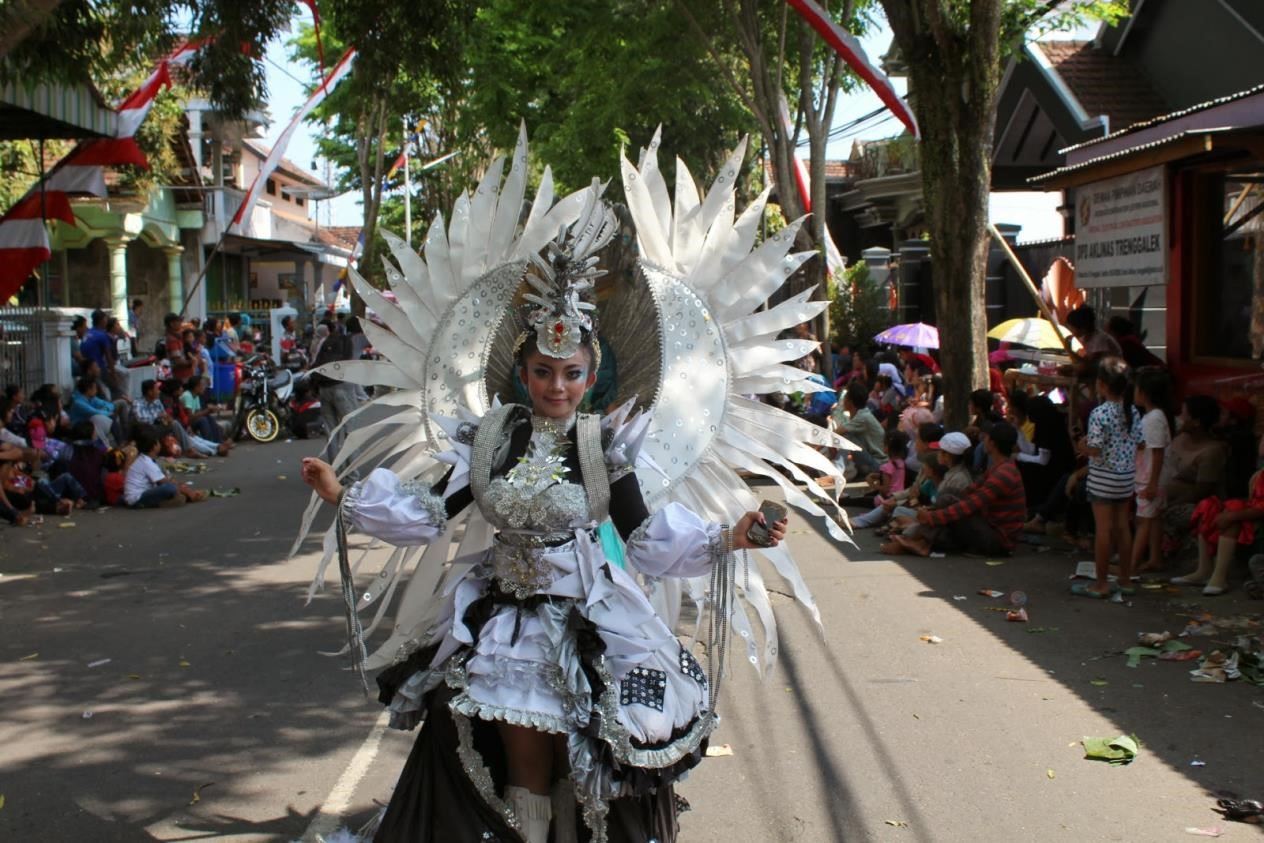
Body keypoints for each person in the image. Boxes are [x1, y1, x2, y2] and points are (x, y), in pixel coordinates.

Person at [301, 299, 788, 842]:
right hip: (505, 627)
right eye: (543, 372)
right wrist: (343, 496)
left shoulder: (602, 445)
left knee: (583, 764)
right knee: (523, 764)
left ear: (591, 377)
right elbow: (432, 511)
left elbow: (643, 537)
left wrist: (729, 537)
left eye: (571, 373)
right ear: (523, 373)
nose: (557, 386)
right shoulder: (492, 440)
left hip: (589, 622)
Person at [887, 423, 1025, 557]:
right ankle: (919, 540)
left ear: (992, 443)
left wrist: (931, 517)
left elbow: (969, 506)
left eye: (986, 438)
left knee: (949, 512)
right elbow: (970, 491)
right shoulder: (999, 467)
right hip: (987, 527)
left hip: (998, 539)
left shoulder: (1003, 474)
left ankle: (919, 540)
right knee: (948, 497)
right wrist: (933, 510)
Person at [1072, 357, 1141, 598]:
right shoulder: (1132, 410)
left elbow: (1096, 448)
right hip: (1125, 478)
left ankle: (1101, 583)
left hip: (1103, 477)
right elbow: (1140, 443)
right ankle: (1125, 579)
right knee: (1123, 528)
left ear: (1101, 384)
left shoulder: (1099, 413)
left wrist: (1082, 446)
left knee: (1103, 530)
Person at [1132, 367, 1174, 575]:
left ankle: (1131, 565)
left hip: (1150, 478)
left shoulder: (1154, 418)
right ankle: (1155, 558)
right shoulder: (1154, 416)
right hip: (1152, 476)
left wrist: (1152, 483)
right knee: (1154, 518)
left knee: (1145, 521)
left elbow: (1157, 453)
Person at [309, 321, 361, 460]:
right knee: (350, 431)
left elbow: (316, 364)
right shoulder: (350, 341)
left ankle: (335, 474)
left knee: (331, 433)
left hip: (324, 389)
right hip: (342, 387)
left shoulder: (325, 342)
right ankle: (350, 476)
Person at [124, 426, 206, 507]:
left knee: (174, 485)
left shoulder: (148, 460)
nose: (160, 445)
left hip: (142, 494)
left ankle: (178, 497)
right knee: (169, 488)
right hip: (137, 499)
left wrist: (181, 486)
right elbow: (165, 482)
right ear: (154, 446)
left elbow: (165, 479)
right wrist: (189, 492)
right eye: (158, 442)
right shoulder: (146, 462)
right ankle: (165, 502)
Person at [833, 381, 886, 478]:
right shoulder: (860, 414)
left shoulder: (862, 417)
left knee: (846, 437)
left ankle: (836, 473)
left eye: (845, 397)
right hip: (870, 460)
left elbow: (836, 433)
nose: (843, 400)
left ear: (850, 401)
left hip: (877, 464)